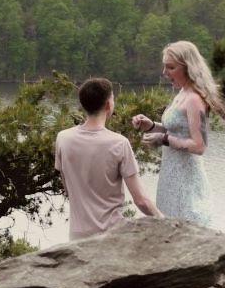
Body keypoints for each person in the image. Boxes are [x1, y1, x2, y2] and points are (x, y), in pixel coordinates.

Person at [132, 41, 225, 225]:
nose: (165, 72)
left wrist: (163, 139)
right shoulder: (182, 93)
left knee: (185, 225)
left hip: (186, 180)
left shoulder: (194, 99)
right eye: (164, 67)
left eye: (171, 67)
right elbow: (175, 131)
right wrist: (150, 125)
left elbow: (199, 146)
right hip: (171, 176)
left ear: (188, 67)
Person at [55, 77, 162, 240]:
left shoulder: (63, 138)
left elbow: (67, 187)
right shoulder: (119, 143)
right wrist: (165, 221)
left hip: (77, 237)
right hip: (111, 237)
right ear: (108, 105)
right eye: (113, 98)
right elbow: (141, 201)